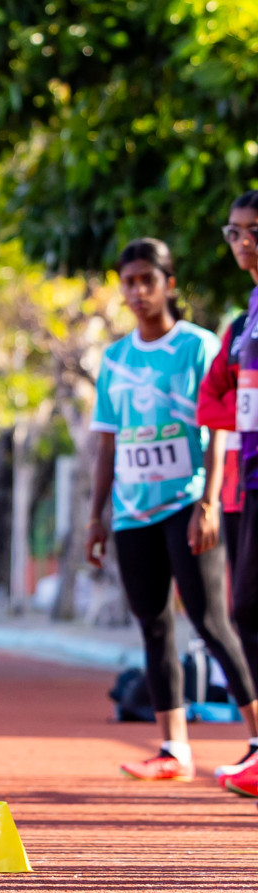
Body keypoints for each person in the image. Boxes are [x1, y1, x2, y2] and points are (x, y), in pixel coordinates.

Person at [85, 237, 258, 782]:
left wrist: (208, 499)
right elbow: (108, 441)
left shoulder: (199, 346)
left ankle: (257, 736)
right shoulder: (114, 359)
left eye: (147, 280)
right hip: (132, 511)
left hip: (186, 503)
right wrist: (97, 516)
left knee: (212, 622)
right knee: (153, 626)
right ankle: (173, 748)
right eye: (129, 282)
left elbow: (216, 423)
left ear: (169, 284)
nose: (137, 292)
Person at [196, 192, 258, 795]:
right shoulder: (245, 320)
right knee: (244, 611)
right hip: (246, 483)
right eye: (234, 230)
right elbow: (211, 399)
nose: (242, 241)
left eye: (253, 230)